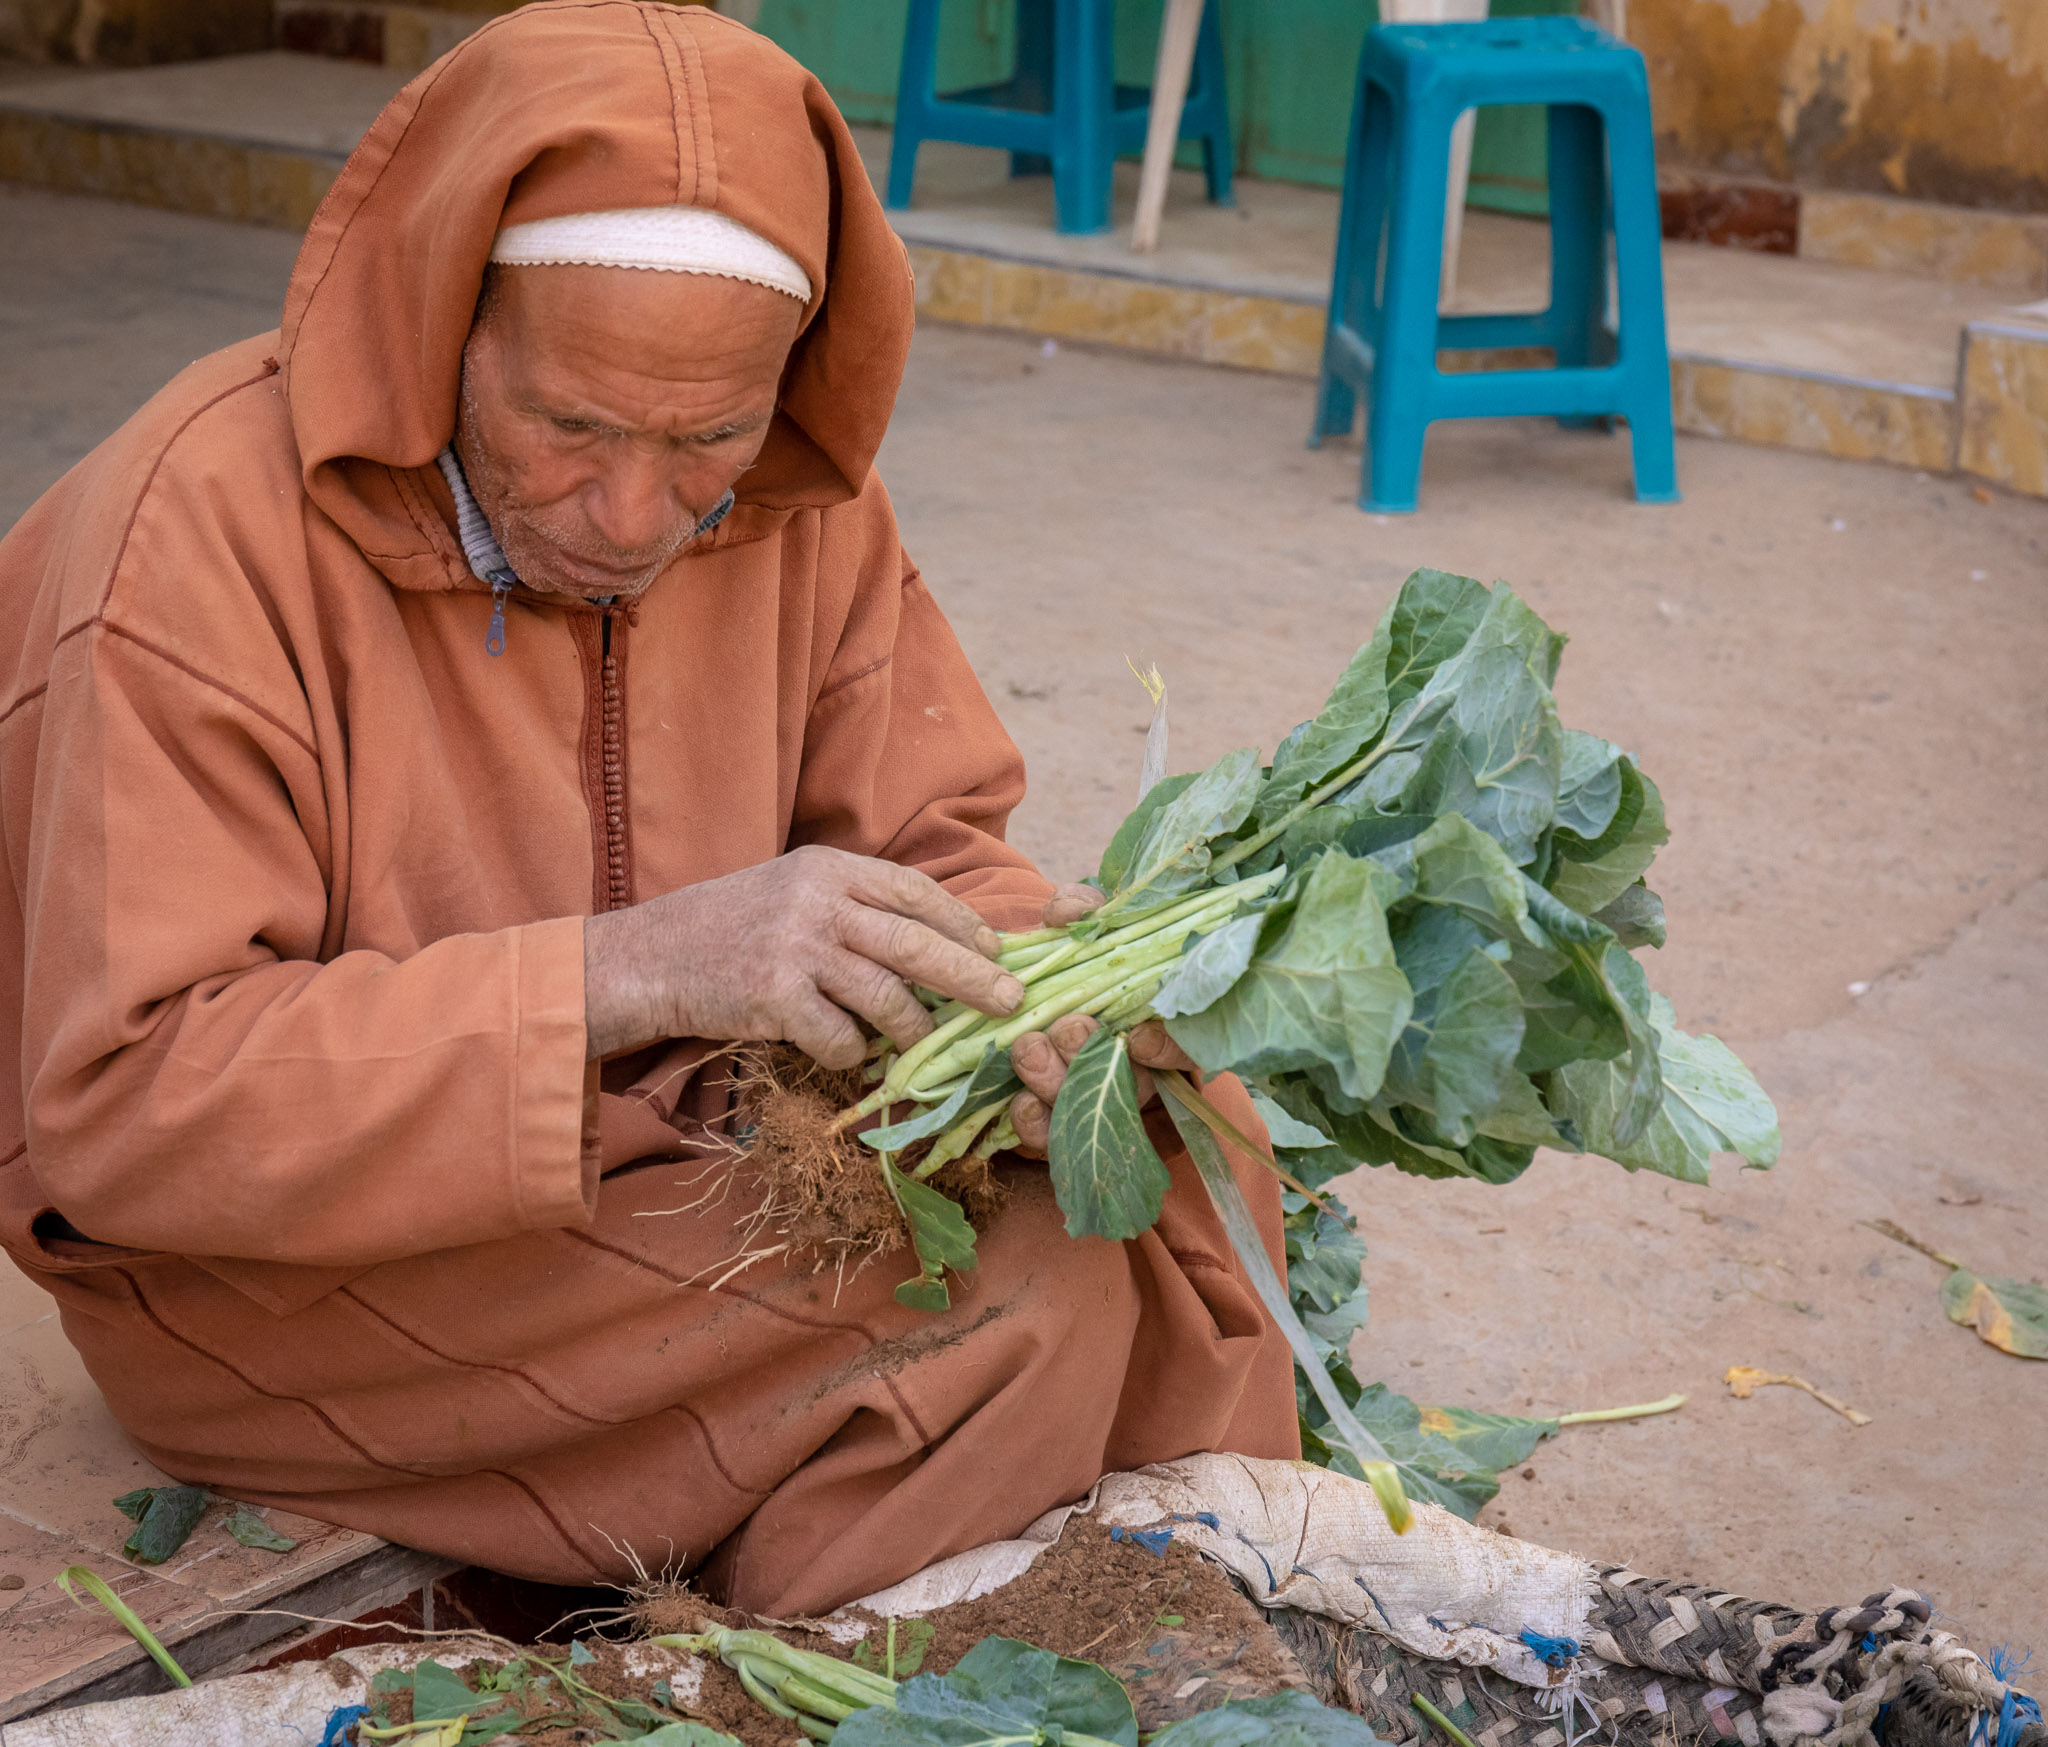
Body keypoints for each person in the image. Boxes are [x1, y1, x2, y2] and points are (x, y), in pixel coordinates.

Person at [0, 0, 1293, 1615]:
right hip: (279, 1275)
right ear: (447, 318)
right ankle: (791, 1691)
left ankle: (1147, 1632)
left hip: (674, 1155)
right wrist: (635, 971)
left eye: (709, 439)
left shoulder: (797, 503)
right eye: (569, 428)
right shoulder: (190, 542)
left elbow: (932, 839)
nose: (632, 516)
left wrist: (1042, 987)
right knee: (1014, 1308)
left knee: (1187, 1151)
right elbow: (133, 1113)